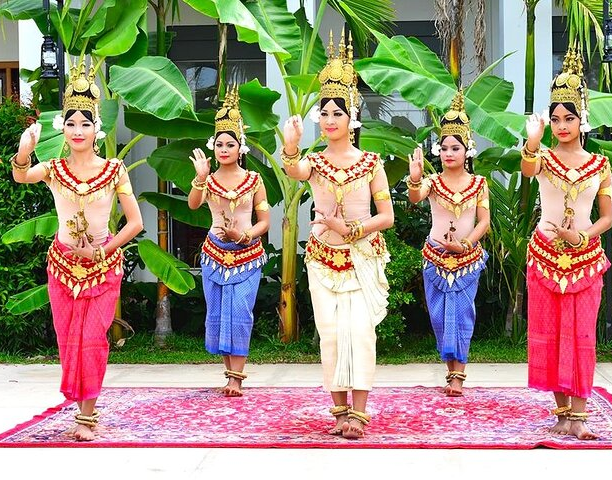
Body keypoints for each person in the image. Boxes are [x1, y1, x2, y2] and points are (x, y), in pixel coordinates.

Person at [11, 61, 143, 441]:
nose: (78, 130)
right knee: (68, 339)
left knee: (92, 338)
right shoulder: (52, 168)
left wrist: (101, 253)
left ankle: (87, 415)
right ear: (63, 129)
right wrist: (25, 151)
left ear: (96, 127)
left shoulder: (114, 169)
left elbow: (134, 223)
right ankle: (82, 404)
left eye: (85, 123)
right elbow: (22, 175)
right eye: (71, 123)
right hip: (62, 267)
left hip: (102, 269)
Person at [281, 31, 394, 439]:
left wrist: (353, 229)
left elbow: (388, 216)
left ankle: (359, 415)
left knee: (360, 333)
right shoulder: (313, 161)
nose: (329, 119)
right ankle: (339, 412)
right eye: (324, 113)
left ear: (352, 117)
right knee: (331, 333)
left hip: (363, 256)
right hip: (323, 259)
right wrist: (291, 148)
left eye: (337, 113)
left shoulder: (370, 162)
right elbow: (295, 172)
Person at [521, 47, 612, 440]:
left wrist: (582, 236)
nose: (561, 125)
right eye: (556, 119)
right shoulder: (541, 156)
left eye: (568, 118)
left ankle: (580, 415)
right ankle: (561, 413)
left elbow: (607, 217)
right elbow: (527, 171)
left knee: (581, 335)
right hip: (544, 256)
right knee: (550, 331)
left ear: (582, 120)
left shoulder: (599, 164)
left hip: (586, 259)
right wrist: (532, 140)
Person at [188, 86, 270, 397]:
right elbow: (193, 205)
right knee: (220, 313)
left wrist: (244, 235)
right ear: (214, 147)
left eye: (230, 144)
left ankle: (237, 377)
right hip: (214, 255)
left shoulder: (254, 180)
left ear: (241, 148)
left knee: (240, 312)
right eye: (219, 144)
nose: (224, 149)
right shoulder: (207, 181)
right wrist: (199, 176)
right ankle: (229, 375)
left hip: (247, 255)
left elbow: (264, 222)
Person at [407, 89, 490, 397]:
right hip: (436, 258)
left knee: (463, 313)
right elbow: (415, 198)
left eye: (455, 148)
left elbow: (484, 222)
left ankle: (459, 375)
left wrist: (466, 245)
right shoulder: (432, 182)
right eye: (444, 149)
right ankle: (449, 369)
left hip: (467, 260)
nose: (448, 153)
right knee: (440, 316)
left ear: (468, 150)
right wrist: (415, 177)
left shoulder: (479, 184)